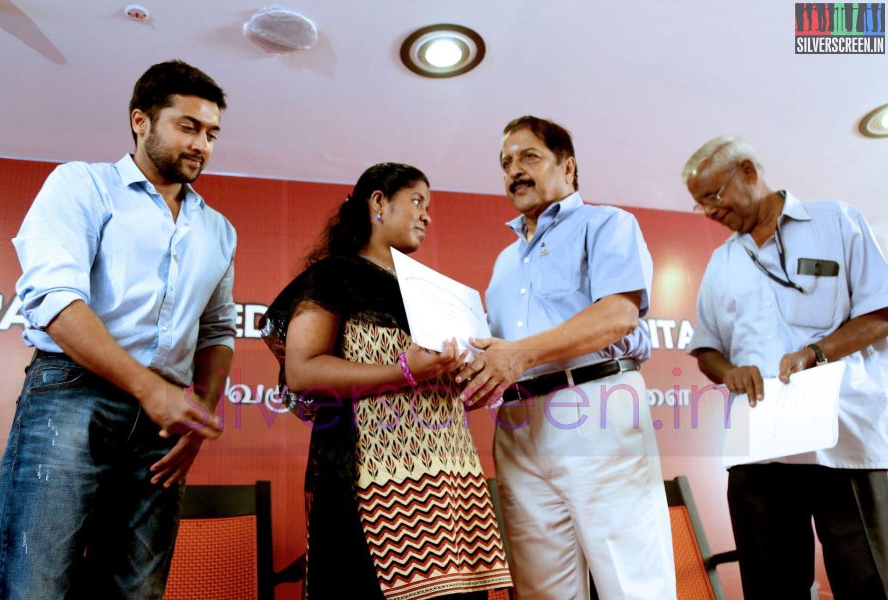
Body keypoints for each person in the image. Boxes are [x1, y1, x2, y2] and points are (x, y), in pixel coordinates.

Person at [0, 60, 236, 599]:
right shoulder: (83, 183)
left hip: (165, 423)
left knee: (135, 591)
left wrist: (201, 412)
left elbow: (217, 331)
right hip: (72, 395)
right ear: (141, 121)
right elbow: (56, 301)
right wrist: (150, 390)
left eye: (212, 133)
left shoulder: (219, 230)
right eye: (188, 126)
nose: (202, 145)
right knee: (35, 585)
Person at [259, 163, 512, 600]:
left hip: (448, 484)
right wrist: (403, 371)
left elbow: (430, 380)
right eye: (417, 201)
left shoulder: (432, 293)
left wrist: (459, 377)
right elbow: (302, 371)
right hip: (369, 481)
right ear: (378, 202)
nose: (427, 215)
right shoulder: (334, 276)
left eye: (429, 207)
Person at [456, 116, 676, 599]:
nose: (514, 170)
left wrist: (518, 356)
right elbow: (498, 350)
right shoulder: (504, 261)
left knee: (632, 580)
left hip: (595, 404)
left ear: (568, 166)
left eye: (529, 156)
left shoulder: (608, 223)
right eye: (505, 162)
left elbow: (617, 316)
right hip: (517, 424)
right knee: (541, 588)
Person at [683, 135, 888, 599]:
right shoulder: (722, 263)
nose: (711, 212)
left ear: (749, 172)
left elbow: (881, 311)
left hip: (846, 436)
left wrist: (817, 352)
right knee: (770, 587)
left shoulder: (837, 221)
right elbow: (707, 349)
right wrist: (728, 371)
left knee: (870, 579)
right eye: (700, 205)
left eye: (713, 197)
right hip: (761, 446)